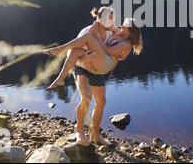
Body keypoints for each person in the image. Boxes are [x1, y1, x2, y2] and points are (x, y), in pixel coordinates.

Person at [42, 17, 143, 146]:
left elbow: (110, 51)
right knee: (86, 97)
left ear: (131, 31)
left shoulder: (126, 42)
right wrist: (86, 55)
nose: (120, 27)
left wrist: (100, 44)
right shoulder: (112, 30)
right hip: (84, 66)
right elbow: (99, 27)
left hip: (98, 65)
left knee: (101, 101)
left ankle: (95, 135)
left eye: (124, 26)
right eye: (121, 25)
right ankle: (79, 132)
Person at [45, 6, 118, 91]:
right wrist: (83, 59)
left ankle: (59, 51)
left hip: (96, 64)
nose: (112, 23)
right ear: (101, 20)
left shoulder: (111, 33)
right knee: (86, 98)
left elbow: (113, 52)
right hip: (81, 66)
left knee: (101, 102)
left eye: (113, 20)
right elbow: (71, 53)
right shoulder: (86, 31)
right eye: (110, 20)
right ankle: (60, 78)